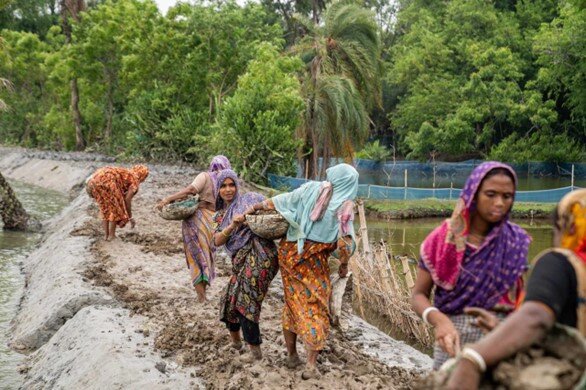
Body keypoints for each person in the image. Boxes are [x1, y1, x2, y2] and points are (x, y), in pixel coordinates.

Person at [445, 188, 586, 390]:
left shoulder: (560, 263)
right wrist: (504, 331)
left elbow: (536, 317)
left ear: (569, 227)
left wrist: (474, 357)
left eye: (554, 230)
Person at [411, 162, 531, 370]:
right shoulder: (442, 239)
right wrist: (440, 321)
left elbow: (522, 303)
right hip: (453, 341)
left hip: (500, 342)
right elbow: (418, 295)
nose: (500, 203)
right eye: (491, 194)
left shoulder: (515, 241)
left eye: (507, 196)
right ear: (474, 193)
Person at [244, 163, 358, 379]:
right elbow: (345, 246)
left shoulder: (313, 188)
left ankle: (292, 355)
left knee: (293, 303)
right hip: (313, 263)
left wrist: (256, 207)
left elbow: (283, 200)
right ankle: (311, 365)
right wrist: (343, 266)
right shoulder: (345, 207)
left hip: (289, 255)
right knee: (316, 306)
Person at [213, 169, 279, 362]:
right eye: (223, 186)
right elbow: (216, 241)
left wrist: (251, 216)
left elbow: (273, 209)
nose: (228, 189)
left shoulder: (251, 199)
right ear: (218, 190)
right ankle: (236, 344)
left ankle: (255, 353)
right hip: (240, 261)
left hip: (262, 256)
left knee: (246, 302)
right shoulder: (219, 216)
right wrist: (233, 225)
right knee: (228, 301)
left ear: (237, 185)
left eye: (231, 184)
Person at [156, 155, 231, 303]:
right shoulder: (226, 182)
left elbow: (191, 189)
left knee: (196, 256)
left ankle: (201, 296)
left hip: (199, 219)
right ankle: (202, 295)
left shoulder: (205, 176)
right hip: (213, 220)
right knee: (206, 255)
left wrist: (168, 199)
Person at [87, 165, 149, 241]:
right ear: (142, 176)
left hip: (95, 179)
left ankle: (106, 236)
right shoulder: (135, 180)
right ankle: (111, 236)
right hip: (108, 180)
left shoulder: (126, 173)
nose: (144, 180)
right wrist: (130, 217)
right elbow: (127, 200)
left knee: (105, 208)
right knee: (114, 209)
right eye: (145, 177)